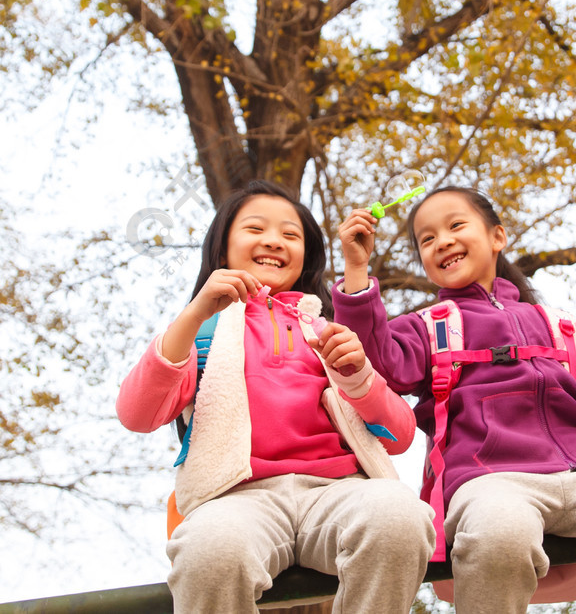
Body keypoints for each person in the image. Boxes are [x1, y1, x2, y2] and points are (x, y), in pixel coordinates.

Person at [333, 186, 576, 614]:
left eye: (455, 225)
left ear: (497, 237)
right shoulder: (425, 327)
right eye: (427, 239)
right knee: (500, 533)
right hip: (489, 478)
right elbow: (375, 363)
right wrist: (358, 271)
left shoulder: (556, 326)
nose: (442, 241)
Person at [117, 180, 435, 614]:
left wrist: (358, 376)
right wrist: (193, 314)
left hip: (338, 493)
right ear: (222, 248)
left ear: (306, 255)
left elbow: (399, 436)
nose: (273, 241)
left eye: (290, 234)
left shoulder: (326, 330)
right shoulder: (202, 334)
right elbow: (136, 414)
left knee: (399, 515)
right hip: (239, 500)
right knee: (208, 552)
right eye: (254, 229)